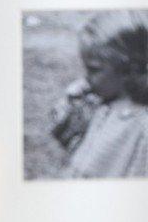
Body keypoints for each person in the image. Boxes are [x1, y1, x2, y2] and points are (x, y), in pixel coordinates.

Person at [52, 10, 148, 179]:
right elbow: (73, 147)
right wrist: (69, 112)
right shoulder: (101, 104)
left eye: (94, 69)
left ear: (128, 70)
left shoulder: (141, 127)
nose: (86, 78)